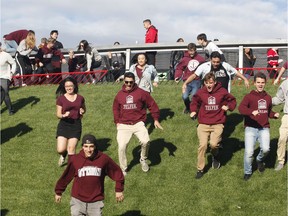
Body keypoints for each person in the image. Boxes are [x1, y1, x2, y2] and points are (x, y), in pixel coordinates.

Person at [55, 134, 124, 216]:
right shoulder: (75, 160)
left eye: (91, 146)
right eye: (86, 146)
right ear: (82, 147)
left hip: (96, 201)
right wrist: (58, 192)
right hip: (78, 200)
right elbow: (66, 177)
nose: (88, 149)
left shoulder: (103, 159)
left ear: (95, 147)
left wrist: (119, 190)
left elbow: (117, 173)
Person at [113, 72, 163, 175]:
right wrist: (117, 122)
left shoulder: (141, 93)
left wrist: (156, 119)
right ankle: (123, 168)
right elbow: (115, 108)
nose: (129, 84)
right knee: (121, 146)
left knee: (146, 141)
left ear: (134, 81)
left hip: (138, 123)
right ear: (124, 81)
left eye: (131, 82)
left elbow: (152, 105)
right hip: (123, 125)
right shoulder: (119, 95)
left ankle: (143, 159)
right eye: (126, 82)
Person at [190, 72, 236, 179]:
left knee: (214, 144)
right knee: (203, 145)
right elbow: (194, 102)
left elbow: (232, 100)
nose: (209, 85)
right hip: (203, 123)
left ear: (215, 82)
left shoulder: (222, 92)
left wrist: (228, 106)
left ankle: (215, 155)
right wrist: (193, 111)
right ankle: (200, 169)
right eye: (206, 83)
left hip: (217, 123)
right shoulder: (201, 92)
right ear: (204, 83)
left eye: (211, 83)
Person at [238, 72, 279, 181]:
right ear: (254, 83)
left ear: (265, 83)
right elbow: (241, 109)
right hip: (250, 127)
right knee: (249, 152)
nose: (260, 85)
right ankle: (247, 172)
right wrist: (252, 112)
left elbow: (268, 112)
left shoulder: (268, 97)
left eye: (262, 83)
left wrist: (274, 114)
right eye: (258, 83)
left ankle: (259, 160)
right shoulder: (248, 97)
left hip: (264, 127)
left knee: (266, 149)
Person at [182, 51, 249, 93]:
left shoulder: (225, 65)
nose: (216, 64)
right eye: (214, 62)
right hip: (209, 93)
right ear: (210, 60)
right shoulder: (204, 66)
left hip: (223, 93)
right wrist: (185, 83)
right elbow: (194, 75)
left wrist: (245, 79)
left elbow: (235, 72)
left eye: (218, 62)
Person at [55, 77, 86, 166]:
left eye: (70, 86)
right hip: (64, 125)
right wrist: (64, 115)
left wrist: (82, 111)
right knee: (60, 149)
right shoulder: (61, 99)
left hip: (76, 125)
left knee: (71, 148)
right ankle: (63, 154)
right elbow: (58, 114)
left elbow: (84, 109)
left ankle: (71, 168)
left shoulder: (80, 98)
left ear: (74, 86)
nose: (69, 88)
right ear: (64, 87)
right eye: (66, 86)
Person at [174, 43, 205, 114]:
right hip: (187, 82)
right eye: (190, 51)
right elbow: (179, 68)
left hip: (196, 81)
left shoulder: (201, 59)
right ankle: (188, 107)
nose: (191, 53)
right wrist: (177, 77)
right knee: (185, 97)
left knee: (194, 96)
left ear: (195, 50)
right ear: (187, 50)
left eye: (193, 51)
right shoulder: (184, 59)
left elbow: (204, 69)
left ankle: (194, 110)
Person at [272, 79, 288, 171]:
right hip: (287, 116)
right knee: (282, 138)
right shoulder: (285, 83)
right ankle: (281, 161)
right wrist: (267, 101)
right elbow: (279, 99)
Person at [0, 43, 17, 115]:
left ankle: (10, 110)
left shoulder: (5, 55)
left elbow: (13, 63)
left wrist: (12, 72)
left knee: (5, 92)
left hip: (5, 76)